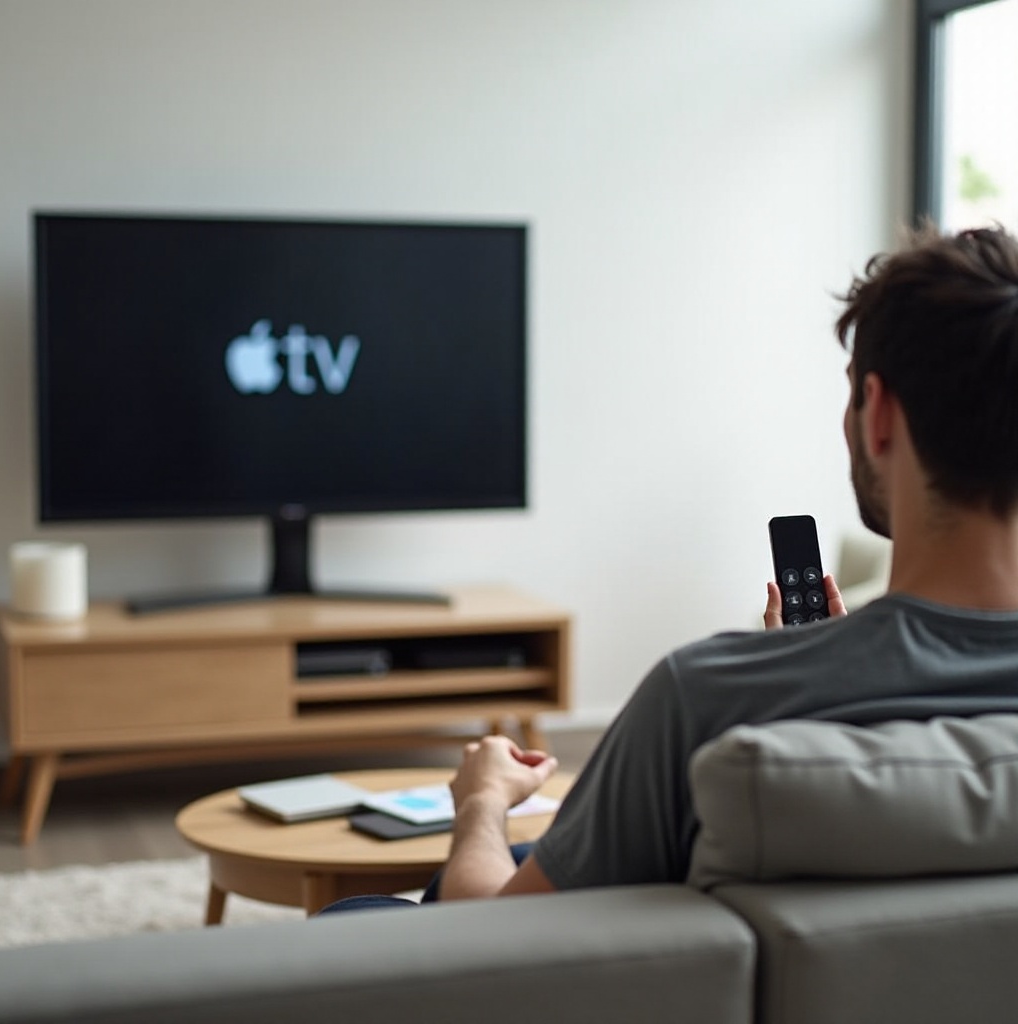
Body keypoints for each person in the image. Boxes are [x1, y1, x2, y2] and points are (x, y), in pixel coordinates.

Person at [321, 222, 1018, 910]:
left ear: (878, 414)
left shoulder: (707, 699)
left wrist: (482, 803)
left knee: (364, 917)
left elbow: (491, 937)